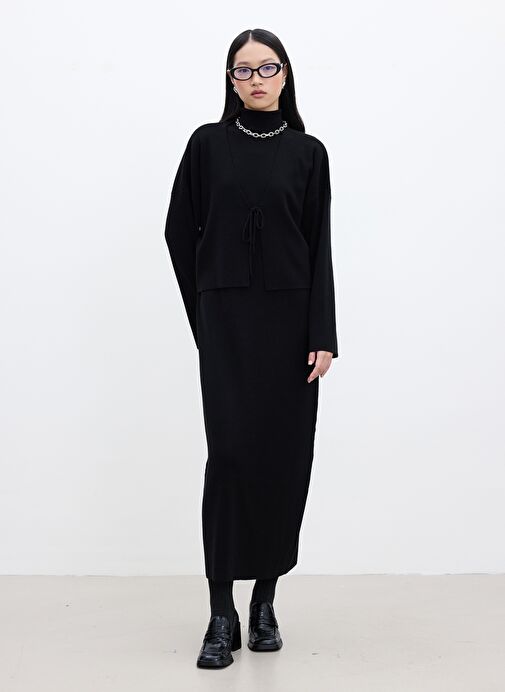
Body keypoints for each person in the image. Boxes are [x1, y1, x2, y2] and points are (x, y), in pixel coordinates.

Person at [164, 28, 339, 669]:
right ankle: (221, 611)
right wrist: (206, 309)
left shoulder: (309, 152)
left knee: (282, 462)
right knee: (231, 459)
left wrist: (322, 334)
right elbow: (178, 230)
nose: (256, 79)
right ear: (230, 80)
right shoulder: (206, 145)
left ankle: (264, 601)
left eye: (268, 68)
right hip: (228, 325)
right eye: (243, 70)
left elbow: (319, 244)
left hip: (291, 328)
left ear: (286, 75)